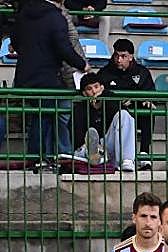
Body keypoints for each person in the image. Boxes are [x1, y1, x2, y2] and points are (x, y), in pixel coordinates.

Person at [12, 0, 86, 167]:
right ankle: (41, 158)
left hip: (24, 75)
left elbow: (15, 40)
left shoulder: (24, 13)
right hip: (46, 76)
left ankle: (41, 158)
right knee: (45, 115)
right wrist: (82, 64)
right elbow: (64, 48)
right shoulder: (55, 16)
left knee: (39, 115)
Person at [96, 39, 155, 169]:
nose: (119, 59)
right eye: (116, 55)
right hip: (112, 118)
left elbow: (151, 94)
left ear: (131, 57)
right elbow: (99, 93)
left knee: (148, 110)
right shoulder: (105, 73)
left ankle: (144, 153)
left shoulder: (142, 72)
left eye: (123, 56)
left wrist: (146, 101)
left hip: (136, 114)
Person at [70, 72, 137, 171]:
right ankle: (95, 156)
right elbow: (77, 135)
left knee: (124, 115)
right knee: (88, 141)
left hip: (108, 145)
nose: (93, 91)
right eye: (89, 89)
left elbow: (126, 117)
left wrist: (104, 98)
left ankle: (126, 160)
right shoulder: (80, 109)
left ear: (101, 87)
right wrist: (91, 108)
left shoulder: (111, 99)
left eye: (96, 87)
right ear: (84, 93)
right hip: (88, 147)